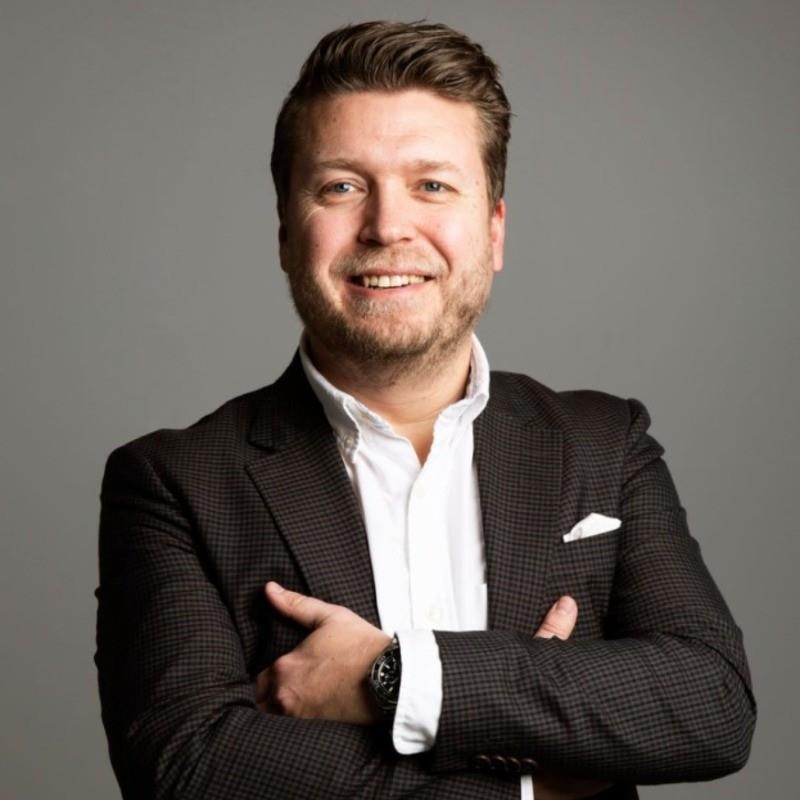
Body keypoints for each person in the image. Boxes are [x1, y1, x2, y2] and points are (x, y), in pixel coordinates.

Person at [95, 20, 755, 800]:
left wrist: (395, 678)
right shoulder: (174, 483)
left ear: (495, 230)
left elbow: (711, 704)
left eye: (432, 185)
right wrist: (530, 782)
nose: (387, 227)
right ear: (285, 234)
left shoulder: (605, 445)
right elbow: (187, 767)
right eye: (342, 187)